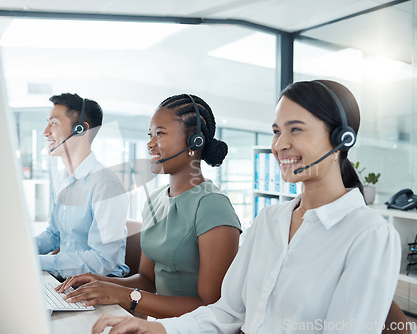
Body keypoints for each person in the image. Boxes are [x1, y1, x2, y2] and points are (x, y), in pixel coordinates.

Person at [91, 80, 402, 334]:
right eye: (277, 131)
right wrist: (158, 330)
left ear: (341, 139)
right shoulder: (270, 220)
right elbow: (227, 311)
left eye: (295, 129)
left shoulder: (369, 234)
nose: (279, 145)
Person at [55, 94, 242, 319]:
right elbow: (147, 280)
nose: (150, 144)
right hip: (158, 327)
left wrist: (125, 296)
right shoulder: (155, 200)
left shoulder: (212, 206)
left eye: (160, 134)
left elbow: (212, 308)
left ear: (195, 141)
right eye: (150, 135)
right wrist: (104, 282)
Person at [37, 93, 129, 280]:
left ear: (80, 129)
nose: (45, 132)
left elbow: (101, 262)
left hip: (103, 284)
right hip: (67, 278)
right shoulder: (62, 179)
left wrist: (35, 262)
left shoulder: (106, 184)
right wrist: (16, 251)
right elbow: (54, 235)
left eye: (53, 123)